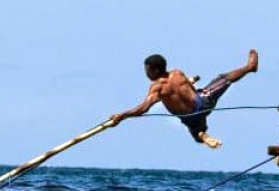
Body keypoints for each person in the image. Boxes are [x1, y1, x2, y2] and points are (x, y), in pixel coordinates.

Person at [110, 50, 259, 149]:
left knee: (195, 130)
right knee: (224, 78)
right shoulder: (178, 74)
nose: (146, 73)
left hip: (191, 117)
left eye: (147, 70)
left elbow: (143, 108)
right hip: (204, 103)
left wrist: (121, 116)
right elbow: (187, 89)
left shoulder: (157, 88)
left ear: (155, 70)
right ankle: (249, 67)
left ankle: (203, 135)